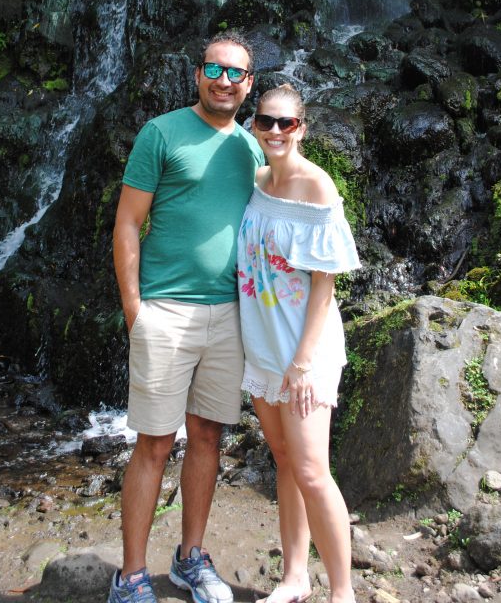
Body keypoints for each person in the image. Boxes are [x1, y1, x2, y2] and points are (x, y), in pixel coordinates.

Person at [109, 32, 264, 603]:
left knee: (207, 436)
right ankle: (129, 577)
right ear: (198, 73)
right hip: (165, 311)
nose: (224, 80)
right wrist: (135, 311)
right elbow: (128, 223)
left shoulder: (251, 148)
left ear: (249, 84)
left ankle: (189, 560)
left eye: (237, 73)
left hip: (228, 315)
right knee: (154, 442)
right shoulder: (162, 133)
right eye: (215, 68)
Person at [237, 83, 360, 603]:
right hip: (264, 348)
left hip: (305, 354)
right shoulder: (259, 180)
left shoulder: (317, 188)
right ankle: (293, 577)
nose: (275, 131)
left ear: (302, 128)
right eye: (267, 121)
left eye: (287, 123)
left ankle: (343, 591)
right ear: (255, 124)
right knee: (285, 461)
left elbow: (323, 285)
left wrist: (304, 363)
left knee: (311, 470)